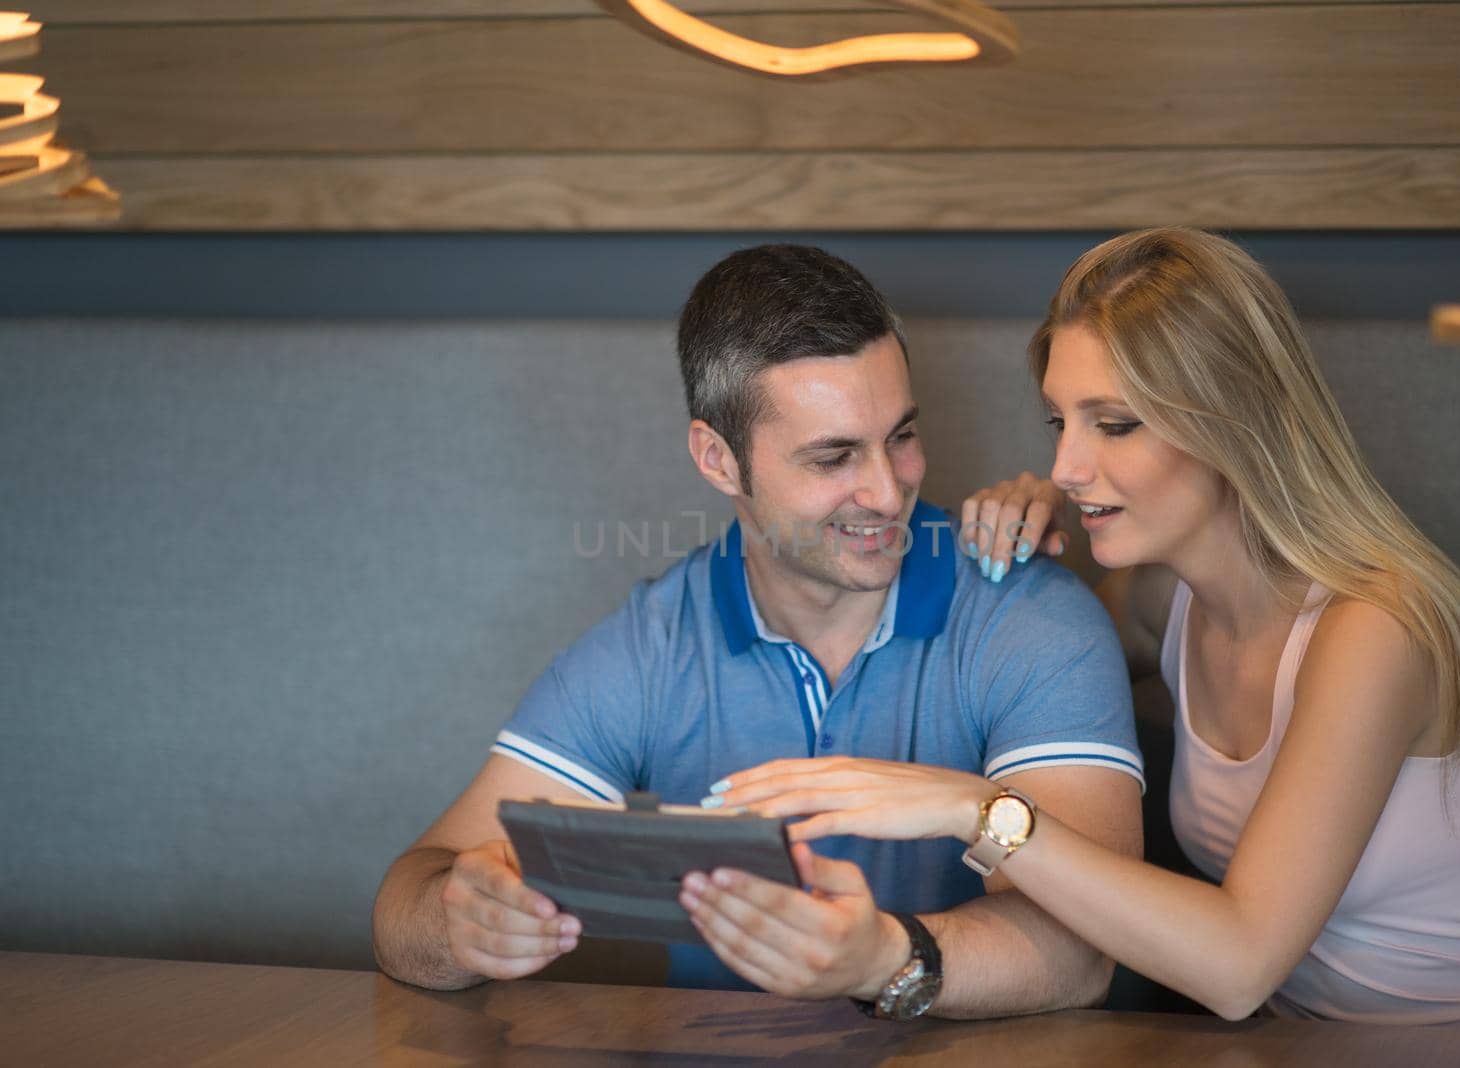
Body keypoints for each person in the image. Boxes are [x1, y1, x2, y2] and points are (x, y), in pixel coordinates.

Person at [696, 228, 1460, 1031]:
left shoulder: (1378, 631)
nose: (1065, 462)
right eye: (1061, 421)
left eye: (1114, 424)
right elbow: (1036, 663)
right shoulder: (1166, 608)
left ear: (1231, 423)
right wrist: (1033, 535)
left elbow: (1240, 966)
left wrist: (970, 808)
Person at [371, 244, 1145, 1019]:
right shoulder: (657, 641)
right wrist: (460, 920)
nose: (886, 490)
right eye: (833, 456)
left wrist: (883, 959)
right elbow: (409, 899)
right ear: (718, 459)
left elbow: (1083, 952)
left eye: (901, 436)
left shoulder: (1029, 615)